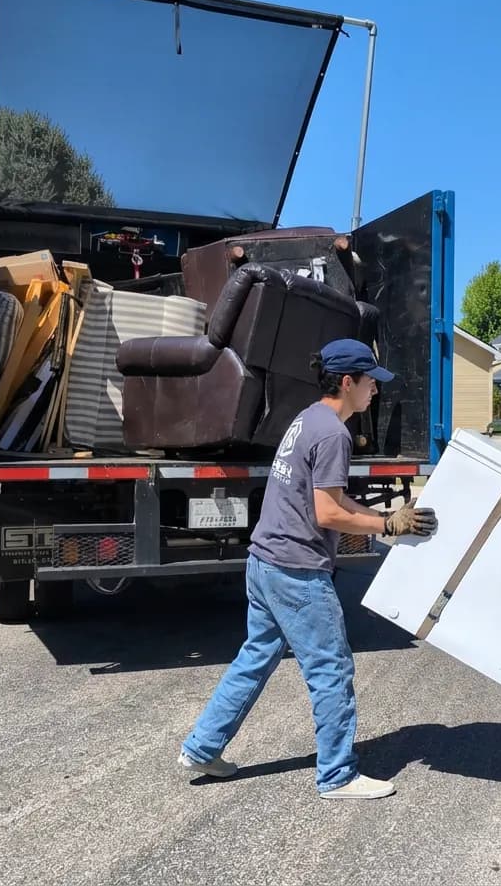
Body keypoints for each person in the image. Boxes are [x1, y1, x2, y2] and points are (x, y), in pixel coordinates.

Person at [178, 338, 439, 799]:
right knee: (331, 669)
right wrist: (387, 524)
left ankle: (202, 747)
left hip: (264, 562)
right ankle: (337, 775)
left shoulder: (308, 419)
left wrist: (390, 519)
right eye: (369, 382)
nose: (374, 391)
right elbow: (327, 513)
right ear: (346, 382)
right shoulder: (334, 434)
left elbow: (334, 500)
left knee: (255, 658)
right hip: (296, 571)